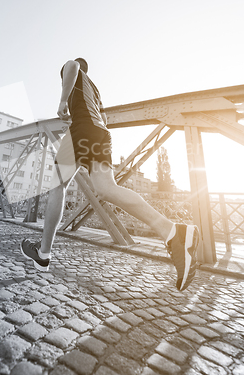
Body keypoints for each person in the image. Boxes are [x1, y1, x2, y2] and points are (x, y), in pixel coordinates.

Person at [21, 58, 200, 291]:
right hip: (101, 134)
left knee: (57, 184)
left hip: (82, 129)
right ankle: (174, 232)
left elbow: (72, 66)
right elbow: (104, 119)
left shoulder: (72, 69)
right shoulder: (95, 91)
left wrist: (63, 101)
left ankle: (43, 253)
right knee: (106, 188)